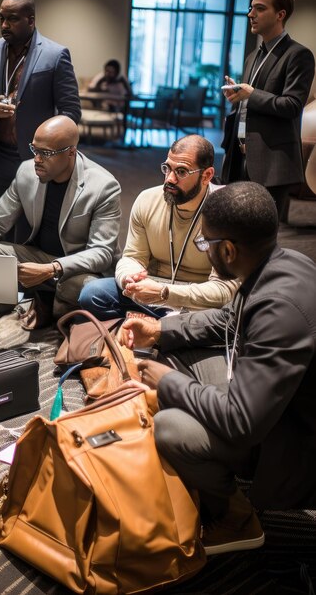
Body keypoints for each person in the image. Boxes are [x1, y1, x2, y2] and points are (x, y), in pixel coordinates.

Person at [119, 181, 316, 555]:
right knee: (176, 354)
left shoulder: (280, 309)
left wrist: (169, 384)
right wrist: (160, 330)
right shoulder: (281, 261)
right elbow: (228, 318)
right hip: (268, 401)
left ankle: (236, 516)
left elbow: (242, 421)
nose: (204, 250)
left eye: (204, 244)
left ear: (227, 249)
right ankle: (198, 478)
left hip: (292, 442)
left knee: (172, 428)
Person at [0, 115, 121, 328]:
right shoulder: (27, 172)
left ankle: (56, 315)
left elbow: (101, 253)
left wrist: (52, 268)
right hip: (39, 257)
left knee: (83, 288)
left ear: (71, 153)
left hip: (78, 269)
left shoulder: (103, 186)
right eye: (34, 149)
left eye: (46, 153)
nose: (37, 159)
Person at [79, 135, 239, 319]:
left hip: (199, 299)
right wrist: (129, 278)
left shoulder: (225, 209)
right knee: (92, 293)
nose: (170, 179)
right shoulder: (147, 200)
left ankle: (156, 324)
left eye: (181, 171)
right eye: (167, 168)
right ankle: (164, 324)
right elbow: (132, 257)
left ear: (207, 175)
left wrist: (166, 292)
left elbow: (225, 290)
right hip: (152, 290)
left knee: (228, 314)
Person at [0, 0, 81, 215]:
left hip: (36, 158)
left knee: (28, 227)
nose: (4, 25)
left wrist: (50, 145)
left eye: (12, 19)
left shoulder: (55, 55)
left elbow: (71, 112)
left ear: (30, 20)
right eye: (1, 18)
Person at [220, 0, 315, 222]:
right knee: (236, 227)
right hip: (240, 156)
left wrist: (251, 95)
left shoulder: (298, 55)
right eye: (251, 8)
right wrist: (238, 97)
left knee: (263, 237)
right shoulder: (253, 56)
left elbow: (292, 105)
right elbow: (251, 103)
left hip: (272, 164)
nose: (251, 14)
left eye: (259, 9)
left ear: (280, 14)